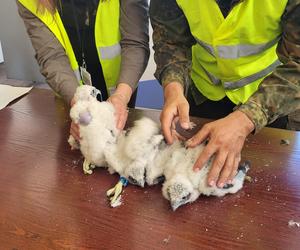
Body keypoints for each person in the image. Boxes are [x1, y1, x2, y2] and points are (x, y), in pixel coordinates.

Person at [150, 0, 300, 188]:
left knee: (264, 189)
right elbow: (170, 40)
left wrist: (250, 116)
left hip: (268, 99)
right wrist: (173, 89)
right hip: (202, 95)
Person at [17, 0, 149, 139]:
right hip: (69, 94)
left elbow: (135, 43)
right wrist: (78, 104)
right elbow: (52, 57)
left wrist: (121, 96)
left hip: (120, 88)